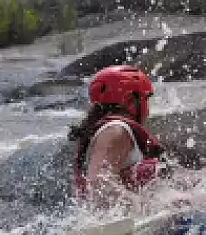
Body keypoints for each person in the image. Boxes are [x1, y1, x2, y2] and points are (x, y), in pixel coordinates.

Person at [69, 65, 165, 206]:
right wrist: (149, 207)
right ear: (130, 101)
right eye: (146, 100)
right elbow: (98, 183)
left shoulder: (106, 129)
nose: (148, 109)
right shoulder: (116, 130)